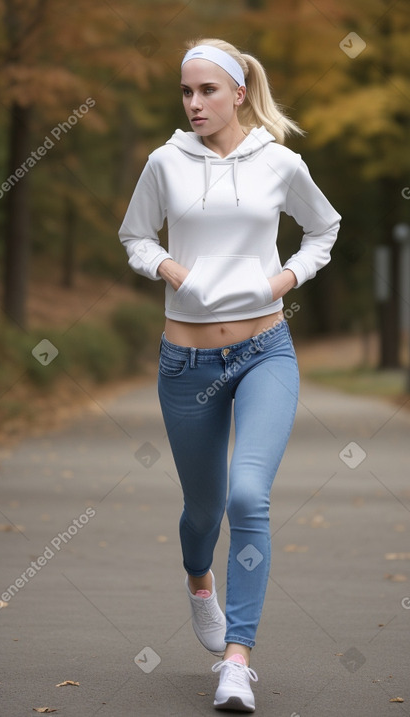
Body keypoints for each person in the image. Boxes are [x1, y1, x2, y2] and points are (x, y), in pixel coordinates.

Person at [119, 37, 340, 713]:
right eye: (185, 92)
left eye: (207, 91)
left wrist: (283, 277)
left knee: (249, 496)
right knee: (203, 511)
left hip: (264, 349)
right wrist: (174, 271)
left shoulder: (280, 163)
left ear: (239, 92)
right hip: (186, 359)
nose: (194, 104)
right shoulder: (165, 161)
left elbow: (323, 229)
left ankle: (237, 659)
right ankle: (197, 580)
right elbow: (135, 236)